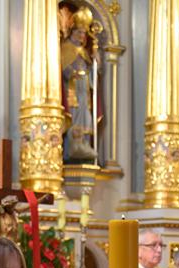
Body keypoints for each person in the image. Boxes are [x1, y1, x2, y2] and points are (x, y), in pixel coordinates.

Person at [61, 7, 101, 162]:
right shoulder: (65, 48)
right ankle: (73, 147)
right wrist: (72, 73)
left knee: (86, 116)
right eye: (79, 32)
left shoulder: (84, 52)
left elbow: (92, 74)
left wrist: (95, 64)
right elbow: (62, 69)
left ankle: (84, 144)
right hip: (72, 89)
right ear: (72, 31)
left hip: (84, 89)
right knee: (75, 115)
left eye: (84, 33)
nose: (82, 36)